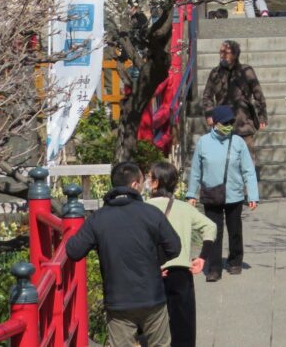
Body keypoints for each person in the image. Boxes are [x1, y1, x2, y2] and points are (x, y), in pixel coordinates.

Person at [65, 161, 181, 347]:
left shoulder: (98, 218)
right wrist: (153, 261)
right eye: (142, 181)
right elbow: (174, 247)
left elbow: (73, 250)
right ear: (135, 184)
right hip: (152, 297)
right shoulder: (151, 213)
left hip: (118, 300)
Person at [145, 161, 217, 347]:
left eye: (150, 177)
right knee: (183, 327)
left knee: (153, 328)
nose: (147, 180)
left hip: (153, 272)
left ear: (156, 183)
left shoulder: (144, 209)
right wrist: (202, 257)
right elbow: (210, 226)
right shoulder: (184, 208)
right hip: (181, 272)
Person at [187, 105, 260, 282]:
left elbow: (248, 170)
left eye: (230, 122)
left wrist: (252, 195)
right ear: (215, 123)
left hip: (234, 194)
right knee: (213, 232)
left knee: (235, 230)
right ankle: (214, 268)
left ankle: (235, 261)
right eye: (225, 122)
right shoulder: (204, 142)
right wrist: (191, 194)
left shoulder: (238, 142)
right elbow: (196, 170)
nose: (228, 125)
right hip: (212, 195)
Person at [200, 40, 268, 157]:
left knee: (247, 161)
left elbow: (258, 95)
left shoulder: (246, 71)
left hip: (244, 124)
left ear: (235, 55)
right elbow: (207, 96)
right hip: (223, 126)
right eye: (220, 52)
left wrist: (262, 116)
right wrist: (209, 114)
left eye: (226, 52)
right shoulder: (215, 73)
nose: (222, 55)